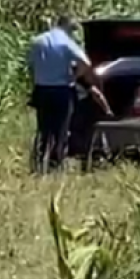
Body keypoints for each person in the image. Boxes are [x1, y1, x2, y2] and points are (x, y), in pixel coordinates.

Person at [27, 14, 112, 173]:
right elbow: (86, 63)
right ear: (67, 27)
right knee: (61, 129)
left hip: (41, 90)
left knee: (44, 128)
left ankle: (39, 164)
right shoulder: (67, 43)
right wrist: (74, 76)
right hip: (62, 90)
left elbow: (30, 65)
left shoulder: (37, 41)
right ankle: (56, 165)